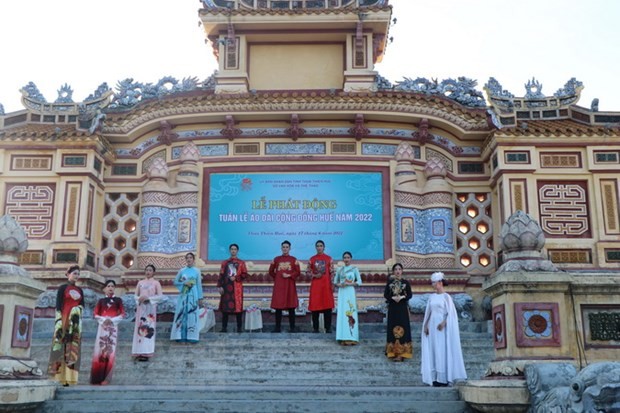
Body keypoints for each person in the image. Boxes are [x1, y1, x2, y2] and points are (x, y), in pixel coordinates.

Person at [421, 271, 467, 387]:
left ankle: (444, 377)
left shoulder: (446, 297)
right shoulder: (432, 297)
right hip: (432, 326)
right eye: (432, 283)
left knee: (442, 350)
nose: (433, 285)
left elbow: (451, 314)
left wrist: (444, 322)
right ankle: (435, 378)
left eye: (434, 282)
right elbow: (429, 313)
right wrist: (426, 325)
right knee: (434, 349)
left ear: (440, 283)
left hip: (442, 327)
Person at [48, 265, 84, 386]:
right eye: (74, 273)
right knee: (59, 347)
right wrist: (59, 321)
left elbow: (82, 306)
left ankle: (70, 378)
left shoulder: (80, 291)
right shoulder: (62, 288)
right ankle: (57, 377)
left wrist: (76, 312)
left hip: (75, 322)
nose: (76, 276)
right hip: (63, 319)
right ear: (68, 274)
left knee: (72, 348)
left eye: (78, 274)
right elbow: (58, 305)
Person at [90, 280, 125, 385]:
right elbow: (95, 314)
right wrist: (104, 320)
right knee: (100, 351)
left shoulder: (118, 300)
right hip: (102, 327)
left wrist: (112, 320)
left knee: (110, 352)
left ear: (115, 288)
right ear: (105, 288)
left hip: (112, 329)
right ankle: (97, 377)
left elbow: (122, 314)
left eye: (112, 286)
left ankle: (106, 378)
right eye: (108, 286)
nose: (110, 288)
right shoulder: (101, 301)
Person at [132, 264, 166, 361]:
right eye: (147, 270)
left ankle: (146, 352)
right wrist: (140, 299)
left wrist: (149, 299)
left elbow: (160, 296)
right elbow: (135, 296)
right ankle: (138, 351)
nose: (148, 272)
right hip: (141, 308)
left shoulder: (156, 283)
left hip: (150, 309)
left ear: (153, 272)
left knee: (148, 329)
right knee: (139, 329)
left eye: (150, 270)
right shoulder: (140, 283)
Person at [170, 252, 204, 343]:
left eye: (190, 258)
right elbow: (175, 282)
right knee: (182, 314)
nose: (189, 259)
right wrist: (184, 283)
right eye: (187, 258)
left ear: (193, 259)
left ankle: (192, 337)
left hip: (194, 295)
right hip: (184, 295)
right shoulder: (182, 271)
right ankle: (181, 336)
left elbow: (199, 285)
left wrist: (200, 298)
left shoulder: (197, 271)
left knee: (192, 315)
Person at [269, 240, 301, 333]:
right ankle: (277, 328)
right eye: (283, 247)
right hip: (279, 286)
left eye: (287, 247)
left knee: (291, 307)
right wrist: (278, 277)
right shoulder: (276, 259)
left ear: (290, 248)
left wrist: (289, 275)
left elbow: (298, 272)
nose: (285, 249)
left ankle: (292, 328)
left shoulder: (294, 260)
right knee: (278, 308)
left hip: (290, 286)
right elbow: (271, 271)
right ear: (281, 248)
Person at [384, 263, 412, 362]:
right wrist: (392, 298)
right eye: (395, 269)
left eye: (399, 269)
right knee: (392, 328)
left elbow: (410, 295)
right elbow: (386, 295)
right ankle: (392, 351)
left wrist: (402, 297)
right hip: (393, 308)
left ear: (402, 271)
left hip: (402, 308)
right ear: (393, 271)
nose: (397, 271)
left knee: (403, 328)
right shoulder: (390, 283)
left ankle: (402, 353)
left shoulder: (406, 283)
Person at [217, 243, 249, 333]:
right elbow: (221, 275)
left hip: (237, 288)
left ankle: (239, 328)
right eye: (231, 249)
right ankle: (224, 328)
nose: (233, 251)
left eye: (235, 249)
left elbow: (245, 274)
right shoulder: (225, 263)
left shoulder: (241, 263)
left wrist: (236, 278)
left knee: (238, 309)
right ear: (229, 250)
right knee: (225, 309)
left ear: (237, 251)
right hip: (226, 288)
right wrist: (219, 286)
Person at [333, 251, 362, 345]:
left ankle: (352, 337)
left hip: (350, 292)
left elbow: (359, 282)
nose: (346, 259)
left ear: (351, 258)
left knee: (351, 311)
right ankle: (342, 337)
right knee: (342, 313)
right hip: (342, 292)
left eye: (348, 257)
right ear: (343, 259)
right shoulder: (340, 270)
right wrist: (340, 285)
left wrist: (349, 284)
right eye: (345, 257)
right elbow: (335, 282)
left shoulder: (354, 269)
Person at [307, 240, 335, 333]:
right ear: (315, 247)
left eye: (321, 246)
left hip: (326, 286)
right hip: (316, 286)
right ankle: (315, 328)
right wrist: (314, 275)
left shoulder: (329, 259)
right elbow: (307, 272)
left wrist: (332, 284)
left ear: (324, 247)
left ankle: (328, 328)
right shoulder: (312, 259)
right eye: (318, 246)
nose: (319, 247)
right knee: (315, 307)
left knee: (327, 307)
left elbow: (332, 273)